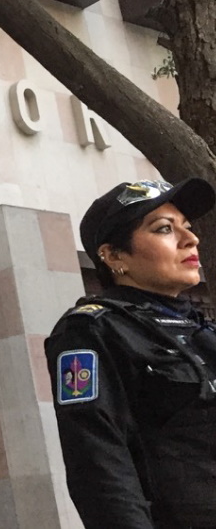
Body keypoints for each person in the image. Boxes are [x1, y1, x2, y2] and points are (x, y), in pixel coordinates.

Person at [45, 178, 216, 529]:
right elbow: (98, 467)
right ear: (114, 256)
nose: (191, 239)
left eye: (187, 226)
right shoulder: (92, 331)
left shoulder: (201, 328)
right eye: (164, 228)